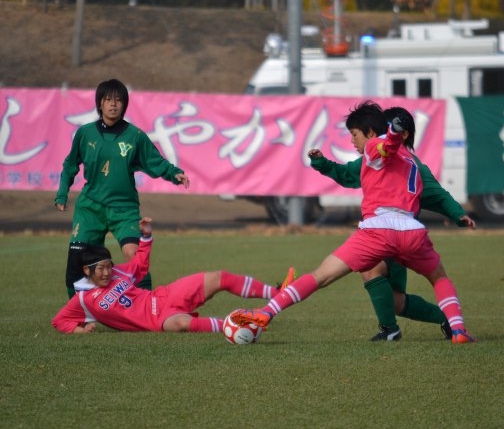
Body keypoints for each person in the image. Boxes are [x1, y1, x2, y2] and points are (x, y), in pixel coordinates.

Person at [230, 101, 476, 343]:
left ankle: (266, 312)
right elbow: (435, 193)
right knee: (437, 278)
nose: (352, 140)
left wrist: (390, 134)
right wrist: (457, 214)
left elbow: (385, 147)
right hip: (412, 232)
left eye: (354, 134)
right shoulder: (413, 164)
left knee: (321, 276)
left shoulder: (374, 146)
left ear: (374, 132)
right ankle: (457, 329)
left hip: (379, 230)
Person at [309, 106, 476, 342]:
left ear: (402, 134)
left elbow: (437, 195)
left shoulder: (411, 165)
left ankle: (397, 328)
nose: (381, 135)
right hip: (387, 232)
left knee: (381, 283)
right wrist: (322, 163)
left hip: (397, 235)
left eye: (387, 130)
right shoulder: (379, 158)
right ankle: (435, 321)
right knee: (392, 296)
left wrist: (457, 213)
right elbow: (346, 174)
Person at [54, 78, 190, 298]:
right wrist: (62, 193)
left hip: (124, 209)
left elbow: (155, 161)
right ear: (100, 103)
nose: (113, 104)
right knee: (79, 260)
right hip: (91, 208)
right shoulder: (85, 133)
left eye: (118, 100)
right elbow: (70, 165)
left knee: (134, 254)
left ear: (124, 104)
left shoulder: (135, 136)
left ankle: (148, 305)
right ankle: (77, 315)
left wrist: (174, 173)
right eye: (108, 99)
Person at [52, 217, 296, 334]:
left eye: (108, 265)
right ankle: (244, 324)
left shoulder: (119, 272)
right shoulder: (83, 299)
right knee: (179, 325)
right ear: (87, 271)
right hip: (159, 321)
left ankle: (277, 292)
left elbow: (141, 264)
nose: (107, 272)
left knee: (217, 278)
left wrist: (146, 236)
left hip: (165, 296)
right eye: (100, 269)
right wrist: (79, 331)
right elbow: (59, 321)